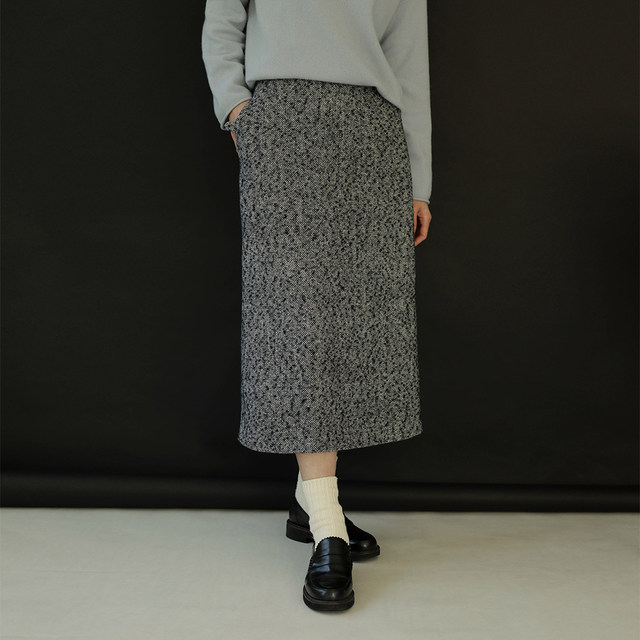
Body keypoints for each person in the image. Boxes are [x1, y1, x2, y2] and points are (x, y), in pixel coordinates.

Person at [201, 0, 432, 612]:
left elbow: (409, 60)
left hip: (373, 133)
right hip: (284, 122)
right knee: (298, 320)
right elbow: (222, 19)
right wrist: (237, 108)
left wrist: (419, 178)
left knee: (355, 326)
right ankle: (328, 526)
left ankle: (314, 501)